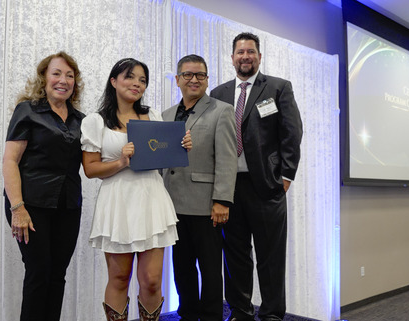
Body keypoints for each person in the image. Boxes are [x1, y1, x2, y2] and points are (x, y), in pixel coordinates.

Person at [80, 58, 192, 321]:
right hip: (118, 201)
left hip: (151, 199)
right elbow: (90, 169)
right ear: (114, 81)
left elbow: (163, 155)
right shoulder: (96, 121)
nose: (137, 84)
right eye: (130, 77)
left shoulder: (152, 115)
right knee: (119, 277)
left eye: (142, 80)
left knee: (152, 280)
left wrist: (180, 146)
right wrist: (120, 162)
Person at [210, 32, 303, 321]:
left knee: (271, 257)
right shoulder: (218, 94)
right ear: (232, 57)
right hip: (229, 189)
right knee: (235, 256)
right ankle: (240, 311)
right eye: (240, 52)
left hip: (268, 187)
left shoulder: (278, 88)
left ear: (259, 57)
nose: (246, 57)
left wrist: (285, 176)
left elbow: (292, 133)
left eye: (251, 52)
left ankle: (273, 314)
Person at [2, 51, 85, 321]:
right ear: (44, 78)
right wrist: (17, 208)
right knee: (39, 272)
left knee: (57, 274)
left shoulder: (80, 120)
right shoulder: (27, 110)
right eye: (57, 73)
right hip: (29, 205)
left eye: (70, 75)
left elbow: (95, 161)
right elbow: (10, 160)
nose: (63, 80)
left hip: (68, 205)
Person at [163, 54, 237, 321]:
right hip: (172, 205)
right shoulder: (166, 115)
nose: (194, 79)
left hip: (207, 206)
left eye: (200, 75)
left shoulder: (221, 110)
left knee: (209, 269)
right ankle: (188, 314)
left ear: (207, 80)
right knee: (181, 267)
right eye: (188, 75)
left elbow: (228, 159)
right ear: (177, 80)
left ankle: (210, 316)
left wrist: (222, 201)